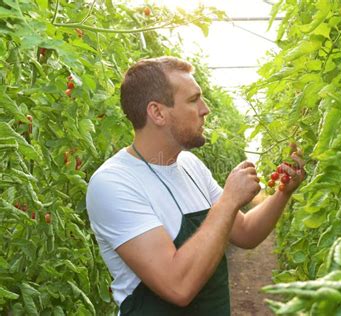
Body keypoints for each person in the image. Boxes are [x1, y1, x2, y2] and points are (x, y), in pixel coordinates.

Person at [85, 56, 305, 315]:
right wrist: (229, 200)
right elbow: (178, 286)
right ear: (157, 113)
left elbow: (245, 233)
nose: (205, 109)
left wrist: (283, 192)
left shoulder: (190, 165)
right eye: (193, 100)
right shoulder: (114, 183)